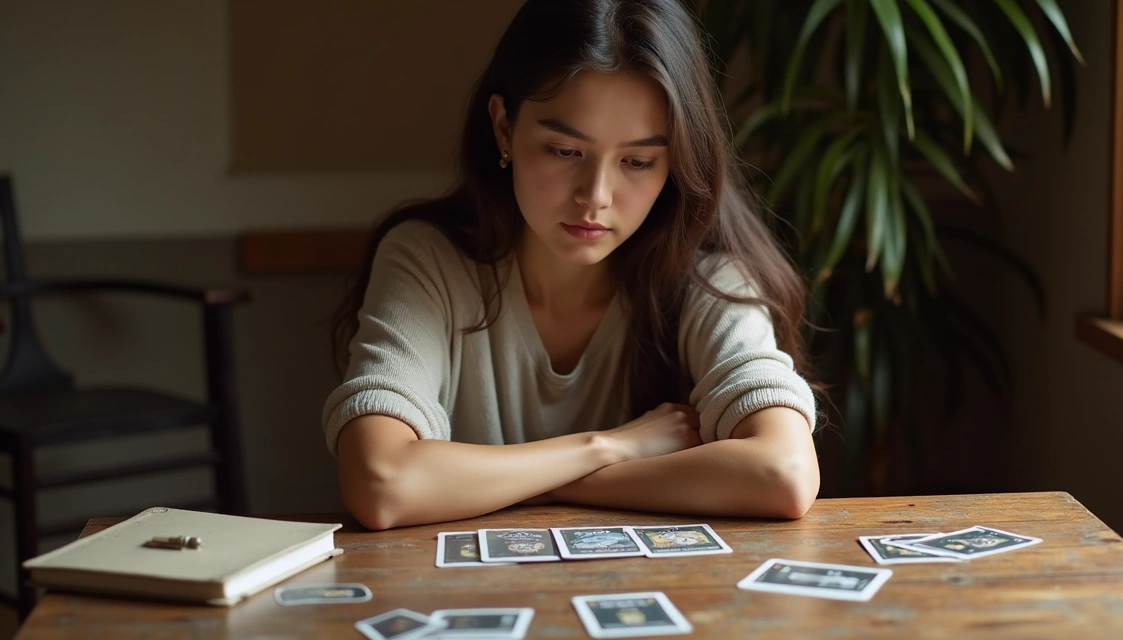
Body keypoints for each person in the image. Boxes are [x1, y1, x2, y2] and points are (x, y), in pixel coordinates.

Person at [323, 0, 822, 531]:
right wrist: (611, 446)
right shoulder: (427, 262)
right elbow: (381, 483)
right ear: (503, 129)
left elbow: (783, 473)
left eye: (637, 162)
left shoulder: (708, 283)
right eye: (564, 151)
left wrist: (540, 481)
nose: (596, 197)